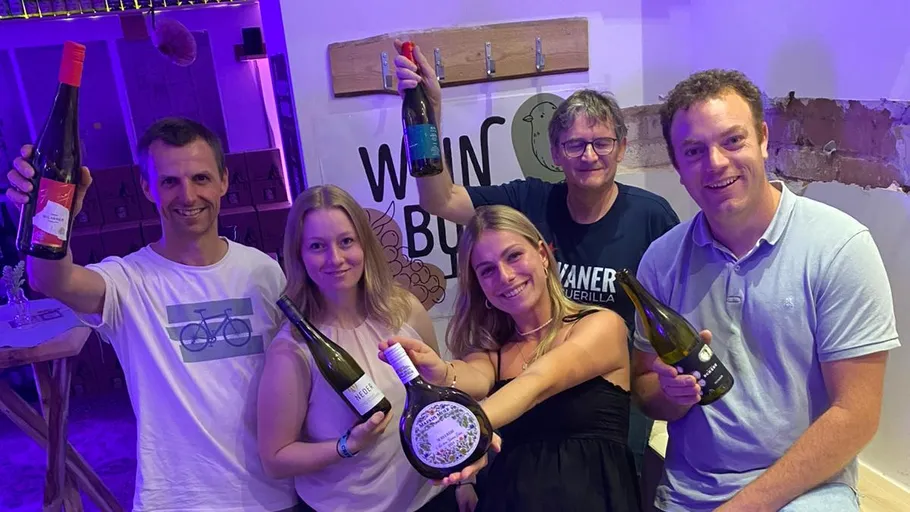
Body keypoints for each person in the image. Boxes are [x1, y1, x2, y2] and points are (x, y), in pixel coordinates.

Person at [394, 40, 679, 474]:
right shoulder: (530, 200)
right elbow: (440, 199)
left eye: (601, 143)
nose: (589, 156)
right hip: (527, 416)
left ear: (621, 148)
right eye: (575, 145)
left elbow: (671, 312)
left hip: (607, 412)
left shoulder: (651, 215)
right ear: (554, 153)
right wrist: (427, 115)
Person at [630, 69, 901, 511]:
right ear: (677, 167)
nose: (715, 162)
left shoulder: (839, 247)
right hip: (689, 491)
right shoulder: (661, 260)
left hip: (810, 490)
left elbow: (856, 416)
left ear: (762, 139)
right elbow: (644, 389)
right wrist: (668, 395)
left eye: (732, 141)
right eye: (694, 151)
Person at [5, 118, 300, 512]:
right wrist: (48, 210)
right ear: (146, 187)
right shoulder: (127, 281)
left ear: (224, 181)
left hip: (275, 495)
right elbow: (49, 278)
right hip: (178, 501)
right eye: (169, 182)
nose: (188, 195)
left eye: (200, 178)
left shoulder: (264, 271)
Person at [380, 204, 642, 512]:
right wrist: (440, 370)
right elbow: (472, 377)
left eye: (514, 256)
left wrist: (470, 432)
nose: (504, 276)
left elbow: (537, 382)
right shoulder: (494, 349)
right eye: (487, 270)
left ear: (543, 255)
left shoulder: (600, 325)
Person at [256, 184, 490, 512]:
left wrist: (464, 479)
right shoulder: (292, 349)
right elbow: (276, 459)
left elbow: (437, 403)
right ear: (299, 254)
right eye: (317, 246)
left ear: (365, 244)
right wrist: (346, 446)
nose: (335, 258)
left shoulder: (405, 310)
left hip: (431, 500)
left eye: (346, 241)